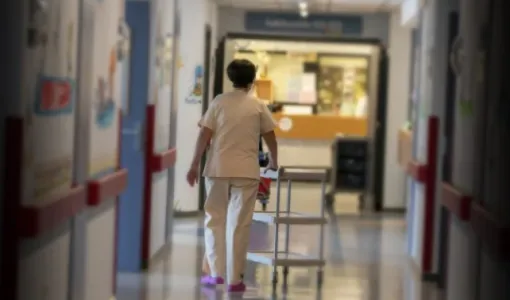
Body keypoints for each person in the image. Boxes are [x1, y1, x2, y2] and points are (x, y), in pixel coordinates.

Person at [186, 59, 279, 293]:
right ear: (252, 79)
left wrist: (194, 164)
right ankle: (235, 280)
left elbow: (204, 135)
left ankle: (215, 274)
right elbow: (270, 137)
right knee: (239, 224)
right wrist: (275, 162)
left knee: (214, 219)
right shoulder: (258, 105)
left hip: (218, 169)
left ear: (230, 78)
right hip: (247, 171)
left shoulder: (219, 102)